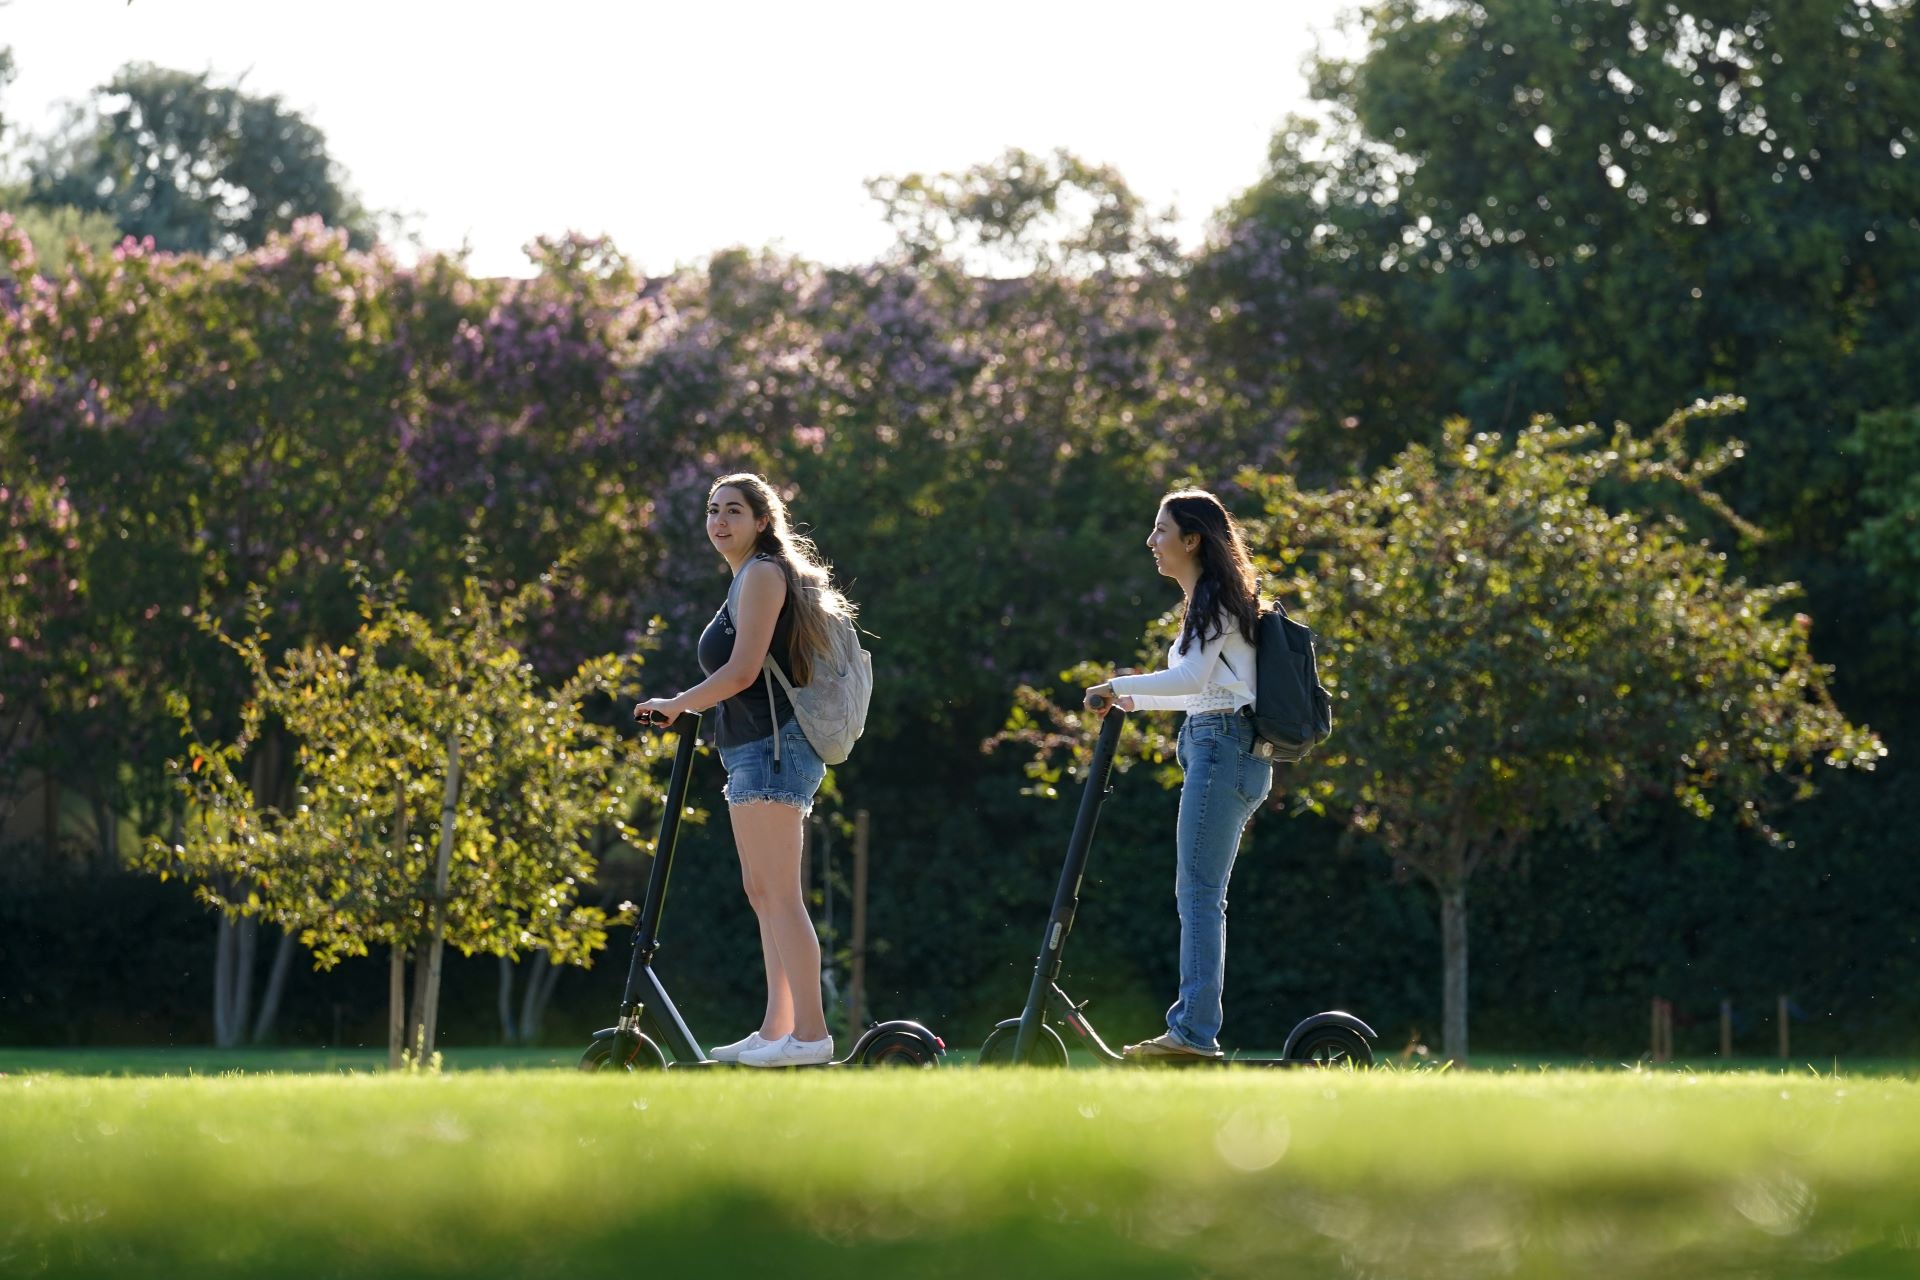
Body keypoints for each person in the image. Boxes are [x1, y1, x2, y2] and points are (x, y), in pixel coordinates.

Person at [632, 473, 851, 1068]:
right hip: (751, 748)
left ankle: (810, 1036)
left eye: (734, 510)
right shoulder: (748, 578)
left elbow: (742, 671)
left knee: (779, 894)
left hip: (773, 747)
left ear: (762, 520)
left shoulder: (761, 574)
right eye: (712, 510)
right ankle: (778, 1027)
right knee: (763, 893)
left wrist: (677, 703)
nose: (719, 520)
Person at [1084, 488, 1274, 1060]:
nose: (1151, 542)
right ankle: (1194, 1029)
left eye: (1161, 530)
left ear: (1192, 540)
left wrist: (1118, 686)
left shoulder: (1214, 599)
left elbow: (1194, 682)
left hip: (1222, 748)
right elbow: (1203, 688)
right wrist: (1134, 703)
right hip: (1218, 744)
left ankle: (1192, 1033)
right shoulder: (1213, 602)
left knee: (1198, 895)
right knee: (1199, 893)